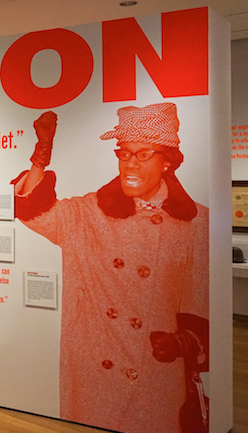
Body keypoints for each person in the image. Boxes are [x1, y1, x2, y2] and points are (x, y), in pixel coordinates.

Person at [11, 103, 209, 433]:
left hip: (154, 376)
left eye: (143, 154)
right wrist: (41, 155)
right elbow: (34, 211)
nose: (130, 164)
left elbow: (203, 300)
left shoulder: (194, 223)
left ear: (167, 162)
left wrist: (187, 342)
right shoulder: (90, 213)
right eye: (124, 153)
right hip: (94, 375)